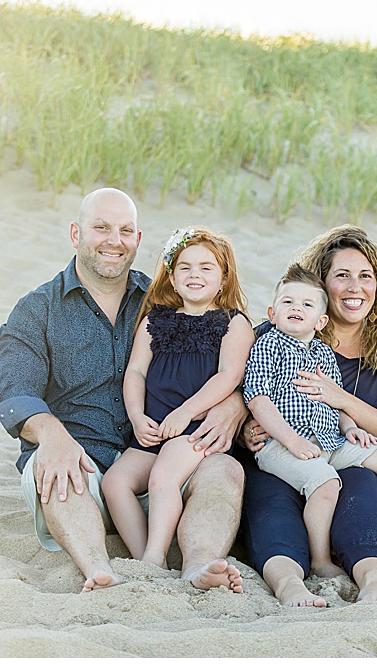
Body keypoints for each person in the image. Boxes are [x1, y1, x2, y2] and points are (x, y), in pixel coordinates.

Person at [0, 189, 246, 593]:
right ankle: (99, 568)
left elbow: (242, 362)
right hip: (86, 472)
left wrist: (235, 404)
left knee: (225, 470)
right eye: (101, 228)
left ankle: (198, 566)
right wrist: (50, 434)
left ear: (138, 240)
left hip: (166, 463)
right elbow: (13, 391)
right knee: (61, 468)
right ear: (76, 233)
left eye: (125, 230)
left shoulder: (164, 302)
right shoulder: (37, 309)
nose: (114, 240)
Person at [239, 225, 377, 607]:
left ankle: (375, 583)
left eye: (365, 276)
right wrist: (243, 425)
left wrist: (345, 407)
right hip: (281, 453)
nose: (355, 287)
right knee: (273, 507)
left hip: (336, 449)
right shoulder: (278, 333)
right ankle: (291, 587)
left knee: (362, 486)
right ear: (324, 285)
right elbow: (244, 386)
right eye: (342, 276)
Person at [100, 227, 254, 573]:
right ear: (171, 275)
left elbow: (229, 376)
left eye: (206, 268)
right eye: (184, 267)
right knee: (115, 483)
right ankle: (148, 557)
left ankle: (155, 554)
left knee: (162, 477)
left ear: (224, 278)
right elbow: (136, 372)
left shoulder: (233, 323)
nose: (194, 275)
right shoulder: (155, 321)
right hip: (153, 428)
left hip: (194, 430)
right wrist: (137, 417)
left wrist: (186, 412)